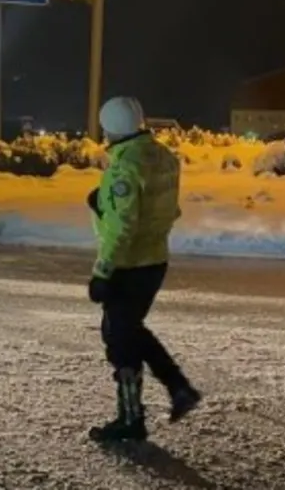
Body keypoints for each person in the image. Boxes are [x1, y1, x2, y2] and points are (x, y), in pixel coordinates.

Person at [86, 96, 201, 443]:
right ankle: (176, 388)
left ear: (109, 126)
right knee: (129, 330)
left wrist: (103, 272)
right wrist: (102, 203)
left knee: (119, 338)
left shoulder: (124, 167)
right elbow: (165, 209)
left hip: (128, 264)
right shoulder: (163, 156)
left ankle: (132, 419)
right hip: (155, 259)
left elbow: (123, 226)